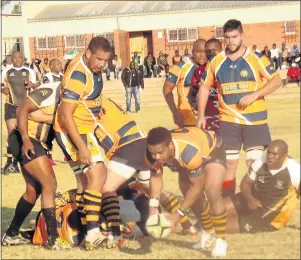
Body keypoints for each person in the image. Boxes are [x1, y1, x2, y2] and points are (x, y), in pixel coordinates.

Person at [196, 19, 282, 197]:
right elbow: (204, 88)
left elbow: (276, 80)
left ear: (241, 35)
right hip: (228, 120)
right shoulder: (216, 61)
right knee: (229, 164)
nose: (230, 41)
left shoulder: (256, 58)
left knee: (254, 164)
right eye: (227, 37)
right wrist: (201, 115)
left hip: (255, 121)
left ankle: (256, 202)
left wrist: (255, 94)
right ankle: (228, 203)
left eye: (234, 36)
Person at [2, 67, 72, 250]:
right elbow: (24, 110)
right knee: (50, 184)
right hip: (26, 139)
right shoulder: (50, 89)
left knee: (33, 191)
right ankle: (53, 239)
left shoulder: (74, 98)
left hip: (37, 144)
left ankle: (11, 234)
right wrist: (26, 139)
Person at [53, 36, 111, 250]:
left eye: (105, 61)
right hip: (74, 131)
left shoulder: (86, 64)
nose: (101, 65)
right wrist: (81, 146)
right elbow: (66, 115)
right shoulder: (79, 75)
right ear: (88, 53)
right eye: (98, 60)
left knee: (84, 183)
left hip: (82, 128)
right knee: (98, 175)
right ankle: (93, 232)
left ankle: (85, 231)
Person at [145, 127, 228, 257]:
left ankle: (221, 240)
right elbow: (156, 177)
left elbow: (197, 187)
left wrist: (177, 215)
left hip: (212, 149)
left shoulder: (189, 153)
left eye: (160, 152)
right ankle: (208, 231)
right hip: (183, 157)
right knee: (187, 193)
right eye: (152, 153)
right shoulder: (151, 153)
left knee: (212, 190)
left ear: (170, 146)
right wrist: (153, 206)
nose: (156, 157)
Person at [224, 140, 300, 234]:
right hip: (251, 200)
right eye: (269, 152)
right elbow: (245, 183)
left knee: (219, 225)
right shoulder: (260, 161)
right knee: (218, 209)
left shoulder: (295, 171)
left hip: (269, 217)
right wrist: (250, 200)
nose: (270, 156)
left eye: (274, 154)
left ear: (285, 156)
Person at [1, 51, 40, 175]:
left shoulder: (29, 71)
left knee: (25, 134)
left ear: (23, 59)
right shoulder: (6, 71)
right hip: (11, 106)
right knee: (12, 134)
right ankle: (10, 163)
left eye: (20, 58)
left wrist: (32, 84)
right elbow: (1, 86)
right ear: (12, 59)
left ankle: (28, 162)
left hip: (24, 107)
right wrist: (3, 89)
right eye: (15, 58)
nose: (17, 60)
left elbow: (37, 85)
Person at [163, 39, 207, 128]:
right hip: (188, 121)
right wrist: (175, 113)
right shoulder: (181, 67)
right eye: (198, 52)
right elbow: (166, 89)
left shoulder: (213, 66)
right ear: (193, 52)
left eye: (205, 52)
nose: (202, 55)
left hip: (210, 120)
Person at [42, 59, 64, 165]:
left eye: (60, 63)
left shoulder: (63, 76)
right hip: (51, 106)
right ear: (51, 66)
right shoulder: (47, 77)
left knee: (64, 131)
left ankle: (67, 153)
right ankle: (48, 155)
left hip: (61, 106)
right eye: (57, 64)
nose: (60, 65)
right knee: (50, 132)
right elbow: (48, 90)